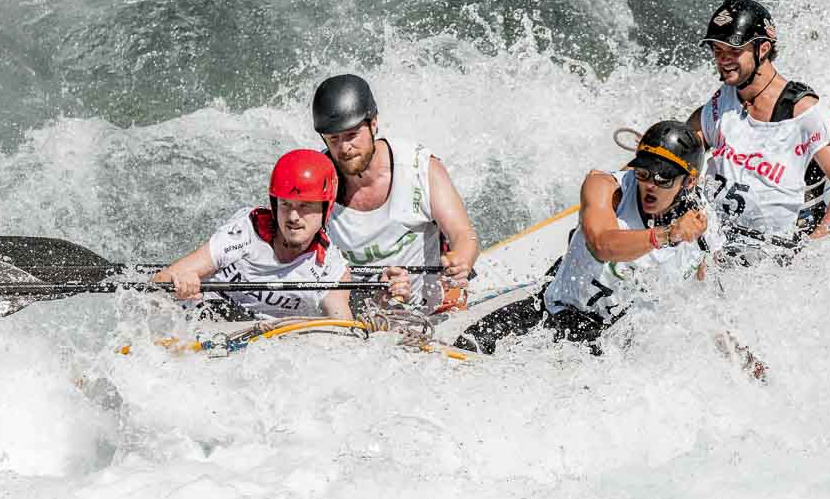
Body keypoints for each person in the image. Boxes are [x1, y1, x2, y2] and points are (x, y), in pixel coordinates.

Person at [457, 121, 709, 354]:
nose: (650, 184)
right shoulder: (604, 186)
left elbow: (705, 299)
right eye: (643, 172)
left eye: (663, 178)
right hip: (554, 314)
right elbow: (601, 244)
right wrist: (668, 234)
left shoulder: (701, 221)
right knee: (465, 347)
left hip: (614, 344)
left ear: (688, 181)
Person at [687, 0, 830, 256]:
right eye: (717, 50)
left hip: (781, 257)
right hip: (723, 243)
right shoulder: (723, 101)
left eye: (734, 50)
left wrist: (815, 248)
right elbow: (680, 147)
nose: (722, 59)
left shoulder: (802, 111)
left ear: (763, 49)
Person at [154, 149, 410, 319]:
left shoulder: (330, 269)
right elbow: (161, 280)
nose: (294, 217)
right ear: (275, 205)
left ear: (325, 209)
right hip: (211, 317)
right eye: (286, 205)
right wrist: (181, 283)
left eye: (306, 206)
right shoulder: (245, 232)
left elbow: (347, 337)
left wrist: (383, 305)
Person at [311, 74, 481, 312]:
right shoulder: (314, 180)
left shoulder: (420, 168)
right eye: (334, 139)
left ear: (373, 124)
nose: (344, 148)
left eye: (351, 135)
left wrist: (460, 262)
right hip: (349, 312)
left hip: (426, 312)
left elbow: (464, 234)